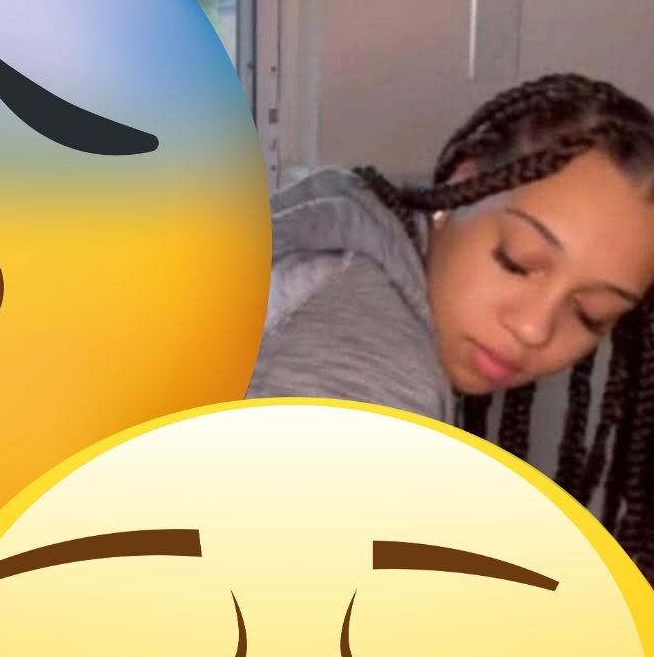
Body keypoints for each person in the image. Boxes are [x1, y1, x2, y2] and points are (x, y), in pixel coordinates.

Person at [248, 72, 654, 576]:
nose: (534, 328)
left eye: (591, 313)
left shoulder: (352, 220)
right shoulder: (372, 374)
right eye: (517, 261)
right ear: (462, 186)